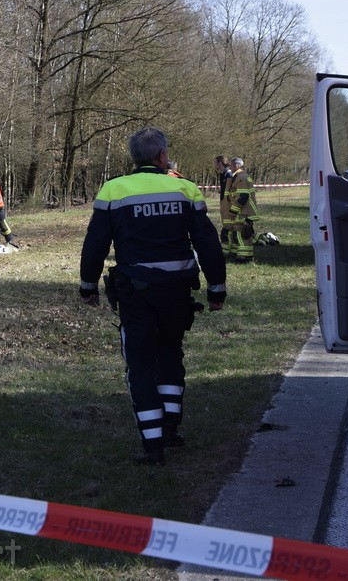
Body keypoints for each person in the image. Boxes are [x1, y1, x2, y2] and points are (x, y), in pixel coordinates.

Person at [80, 127, 227, 466]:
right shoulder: (185, 188)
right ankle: (171, 429)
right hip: (177, 290)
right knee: (171, 352)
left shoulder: (114, 189)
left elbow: (96, 243)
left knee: (141, 364)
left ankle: (152, 446)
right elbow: (207, 242)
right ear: (162, 157)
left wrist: (87, 285)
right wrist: (217, 288)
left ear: (135, 158)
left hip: (136, 291)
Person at [226, 157, 260, 263]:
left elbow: (243, 196)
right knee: (245, 233)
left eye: (231, 166)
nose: (230, 168)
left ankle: (244, 257)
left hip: (243, 211)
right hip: (244, 211)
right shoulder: (241, 177)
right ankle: (246, 256)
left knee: (240, 233)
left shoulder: (241, 178)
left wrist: (234, 210)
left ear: (237, 166)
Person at [214, 156, 234, 254]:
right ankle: (227, 248)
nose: (214, 165)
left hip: (228, 204)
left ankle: (228, 248)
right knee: (226, 225)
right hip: (224, 204)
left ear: (220, 163)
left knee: (229, 227)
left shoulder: (229, 174)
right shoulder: (222, 174)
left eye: (215, 163)